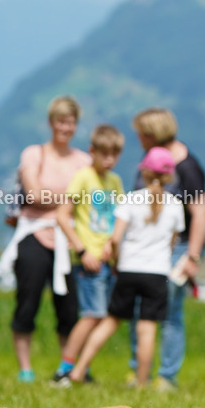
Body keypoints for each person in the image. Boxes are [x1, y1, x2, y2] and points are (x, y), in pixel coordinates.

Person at [69, 147, 185, 386]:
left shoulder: (131, 199)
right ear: (170, 176)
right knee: (147, 328)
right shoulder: (175, 205)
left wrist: (116, 262)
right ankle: (142, 382)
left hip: (129, 269)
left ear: (143, 171)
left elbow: (115, 238)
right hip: (157, 273)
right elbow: (173, 242)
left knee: (111, 321)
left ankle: (78, 370)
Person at [0, 96, 92, 382]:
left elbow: (88, 200)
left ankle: (68, 367)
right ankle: (25, 369)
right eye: (61, 121)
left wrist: (55, 200)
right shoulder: (34, 154)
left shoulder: (83, 160)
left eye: (71, 122)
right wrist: (69, 199)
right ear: (51, 123)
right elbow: (34, 194)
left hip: (70, 239)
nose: (66, 127)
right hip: (33, 234)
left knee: (69, 309)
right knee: (27, 303)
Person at [127, 107, 205, 390]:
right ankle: (138, 371)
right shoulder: (148, 160)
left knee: (171, 312)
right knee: (140, 309)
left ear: (153, 134)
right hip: (145, 249)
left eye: (141, 133)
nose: (137, 138)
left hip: (179, 248)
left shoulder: (187, 167)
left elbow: (200, 213)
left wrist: (192, 257)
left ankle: (166, 376)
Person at [51, 124, 125, 385]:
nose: (109, 160)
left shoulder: (115, 181)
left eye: (115, 154)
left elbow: (118, 219)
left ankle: (81, 368)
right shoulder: (83, 177)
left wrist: (113, 247)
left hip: (108, 260)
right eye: (104, 154)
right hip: (88, 261)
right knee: (92, 315)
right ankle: (64, 368)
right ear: (91, 151)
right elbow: (62, 215)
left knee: (102, 316)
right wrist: (82, 249)